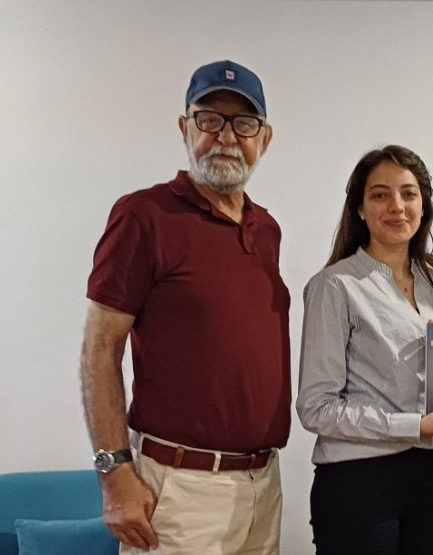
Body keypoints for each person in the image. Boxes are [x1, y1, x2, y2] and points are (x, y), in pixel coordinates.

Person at [79, 60, 289, 555]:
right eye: (209, 119)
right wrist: (114, 473)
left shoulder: (267, 230)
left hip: (262, 486)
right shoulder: (144, 215)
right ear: (184, 127)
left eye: (244, 123)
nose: (226, 137)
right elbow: (98, 350)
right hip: (178, 489)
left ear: (265, 137)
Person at [296, 145, 433, 555]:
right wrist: (415, 426)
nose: (396, 206)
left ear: (424, 205)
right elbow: (316, 408)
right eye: (379, 195)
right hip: (358, 482)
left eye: (408, 193)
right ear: (360, 209)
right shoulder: (335, 286)